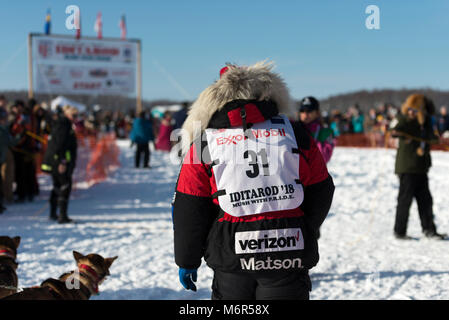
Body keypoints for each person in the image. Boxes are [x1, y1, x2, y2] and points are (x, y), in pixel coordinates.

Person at [172, 61, 335, 300]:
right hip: (288, 251)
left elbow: (190, 204)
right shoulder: (294, 132)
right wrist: (303, 225)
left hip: (231, 254)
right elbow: (321, 188)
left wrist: (187, 259)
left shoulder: (205, 141)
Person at [391, 94, 446, 240]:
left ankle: (429, 229)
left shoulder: (426, 122)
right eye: (409, 110)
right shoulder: (404, 119)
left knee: (426, 200)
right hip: (407, 168)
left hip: (421, 167)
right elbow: (396, 128)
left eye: (414, 110)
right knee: (405, 200)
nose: (411, 113)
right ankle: (399, 231)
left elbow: (432, 137)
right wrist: (397, 131)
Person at [41, 105, 78, 224]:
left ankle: (53, 213)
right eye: (73, 115)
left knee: (57, 186)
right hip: (59, 161)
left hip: (56, 160)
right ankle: (62, 216)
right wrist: (62, 162)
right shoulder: (64, 124)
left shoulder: (62, 123)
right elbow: (60, 144)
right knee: (64, 186)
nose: (75, 118)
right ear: (67, 114)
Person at [298, 96, 335, 164]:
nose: (305, 114)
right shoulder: (293, 129)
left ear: (317, 113)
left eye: (309, 111)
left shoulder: (326, 132)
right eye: (302, 110)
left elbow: (324, 157)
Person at [0, 109, 20, 213]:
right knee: (4, 179)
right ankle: (6, 198)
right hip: (2, 158)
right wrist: (19, 136)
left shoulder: (4, 129)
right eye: (3, 119)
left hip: (3, 158)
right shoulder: (2, 131)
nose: (5, 121)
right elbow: (10, 142)